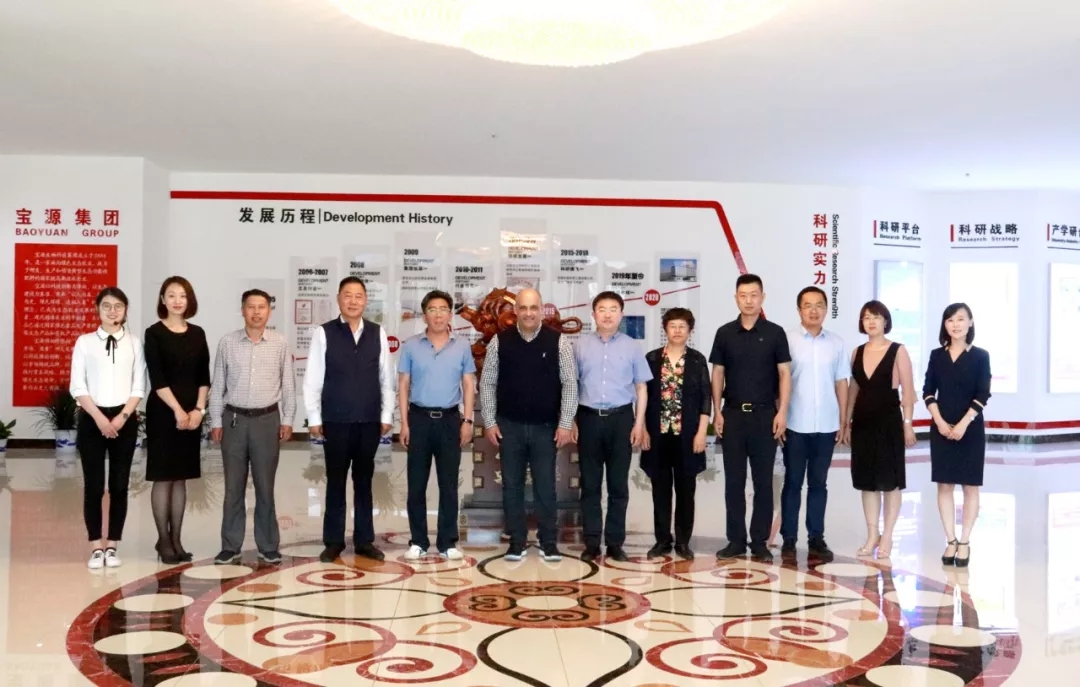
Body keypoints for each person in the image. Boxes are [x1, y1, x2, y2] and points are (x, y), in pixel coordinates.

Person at [480, 288, 577, 562]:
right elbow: (487, 383)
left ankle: (548, 542)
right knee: (512, 486)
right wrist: (489, 421)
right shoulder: (500, 341)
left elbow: (570, 383)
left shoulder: (558, 341)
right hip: (509, 426)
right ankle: (517, 542)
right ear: (515, 311)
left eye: (534, 307)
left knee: (545, 486)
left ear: (542, 310)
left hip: (546, 427)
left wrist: (565, 422)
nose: (528, 313)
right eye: (523, 308)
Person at [303, 277, 395, 563]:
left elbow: (386, 377)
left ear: (365, 300)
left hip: (369, 420)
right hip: (336, 420)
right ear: (338, 299)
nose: (353, 301)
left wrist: (386, 415)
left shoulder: (377, 333)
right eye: (348, 295)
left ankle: (364, 540)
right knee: (336, 480)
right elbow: (313, 378)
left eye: (358, 296)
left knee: (365, 481)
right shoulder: (324, 333)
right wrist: (314, 417)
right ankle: (333, 541)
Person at [209, 289, 296, 566]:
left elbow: (288, 384)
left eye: (262, 307)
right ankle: (230, 545)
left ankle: (268, 545)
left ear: (269, 311)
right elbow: (217, 385)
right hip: (234, 421)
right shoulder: (228, 342)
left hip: (267, 421)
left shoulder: (280, 343)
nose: (256, 312)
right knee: (233, 487)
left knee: (265, 486)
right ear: (242, 310)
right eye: (251, 307)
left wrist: (288, 418)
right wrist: (215, 420)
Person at [710, 274, 791, 563]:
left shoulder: (775, 333)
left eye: (754, 295)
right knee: (734, 482)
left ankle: (759, 542)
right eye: (743, 295)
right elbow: (717, 373)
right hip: (732, 415)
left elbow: (784, 373)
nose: (748, 300)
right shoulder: (724, 333)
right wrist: (717, 411)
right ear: (736, 298)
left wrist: (782, 411)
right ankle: (735, 540)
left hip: (765, 416)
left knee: (763, 483)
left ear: (762, 298)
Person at [70, 287, 146, 569]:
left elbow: (139, 386)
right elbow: (77, 386)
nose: (112, 311)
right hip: (92, 418)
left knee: (119, 485)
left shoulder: (134, 343)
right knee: (93, 486)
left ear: (125, 310)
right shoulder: (85, 342)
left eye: (118, 306)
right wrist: (100, 419)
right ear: (97, 309)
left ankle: (112, 544)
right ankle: (95, 546)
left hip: (124, 419)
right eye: (106, 306)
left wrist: (122, 417)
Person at [573, 291, 651, 563]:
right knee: (590, 484)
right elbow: (570, 387)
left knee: (618, 485)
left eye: (613, 309)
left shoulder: (632, 347)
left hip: (621, 420)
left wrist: (639, 423)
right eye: (602, 309)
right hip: (588, 419)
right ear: (593, 314)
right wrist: (571, 420)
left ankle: (616, 543)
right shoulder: (580, 345)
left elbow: (641, 388)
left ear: (621, 314)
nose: (607, 314)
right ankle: (592, 542)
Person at [399, 290, 476, 561]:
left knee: (448, 484)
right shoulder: (411, 346)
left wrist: (467, 420)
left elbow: (468, 384)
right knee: (416, 484)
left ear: (450, 314)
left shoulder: (462, 346)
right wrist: (404, 423)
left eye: (443, 309)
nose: (438, 314)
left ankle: (447, 542)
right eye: (432, 309)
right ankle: (418, 541)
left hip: (450, 421)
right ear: (424, 316)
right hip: (419, 419)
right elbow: (404, 385)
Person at [144, 276, 211, 564]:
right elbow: (157, 378)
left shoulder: (197, 333)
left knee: (181, 477)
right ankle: (163, 540)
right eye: (171, 295)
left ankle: (177, 540)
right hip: (163, 412)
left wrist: (198, 410)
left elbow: (204, 376)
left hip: (192, 413)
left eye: (182, 295)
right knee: (163, 476)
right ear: (163, 299)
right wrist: (178, 410)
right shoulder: (154, 333)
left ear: (189, 300)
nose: (177, 300)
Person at [844, 300, 917, 560]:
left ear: (886, 320)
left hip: (889, 424)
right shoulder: (857, 352)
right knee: (868, 482)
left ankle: (887, 535)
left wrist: (908, 425)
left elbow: (908, 391)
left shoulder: (898, 351)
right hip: (863, 424)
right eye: (866, 317)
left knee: (890, 482)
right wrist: (846, 422)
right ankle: (872, 534)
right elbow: (853, 390)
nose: (871, 321)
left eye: (876, 316)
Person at [780, 286, 848, 562]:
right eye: (807, 305)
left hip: (826, 425)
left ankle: (816, 537)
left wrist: (843, 420)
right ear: (799, 310)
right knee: (793, 483)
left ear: (826, 309)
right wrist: (780, 415)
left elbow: (841, 382)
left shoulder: (836, 343)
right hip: (795, 423)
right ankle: (788, 539)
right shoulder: (787, 340)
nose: (814, 310)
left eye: (819, 305)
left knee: (819, 484)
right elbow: (779, 380)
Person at [923, 303, 991, 568]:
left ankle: (964, 541)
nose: (955, 324)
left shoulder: (981, 356)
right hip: (941, 427)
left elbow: (983, 393)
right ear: (945, 325)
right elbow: (928, 391)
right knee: (944, 485)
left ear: (970, 322)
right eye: (950, 320)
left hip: (970, 428)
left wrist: (963, 424)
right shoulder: (936, 356)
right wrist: (939, 421)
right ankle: (950, 539)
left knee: (970, 486)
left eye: (961, 319)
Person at [641, 308, 710, 560]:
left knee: (685, 490)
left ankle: (683, 542)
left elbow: (705, 399)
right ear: (665, 329)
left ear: (690, 330)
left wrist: (701, 433)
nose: (677, 331)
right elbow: (642, 396)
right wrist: (643, 428)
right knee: (660, 491)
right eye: (673, 326)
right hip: (658, 435)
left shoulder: (697, 360)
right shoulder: (651, 358)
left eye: (682, 326)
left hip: (687, 436)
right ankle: (662, 540)